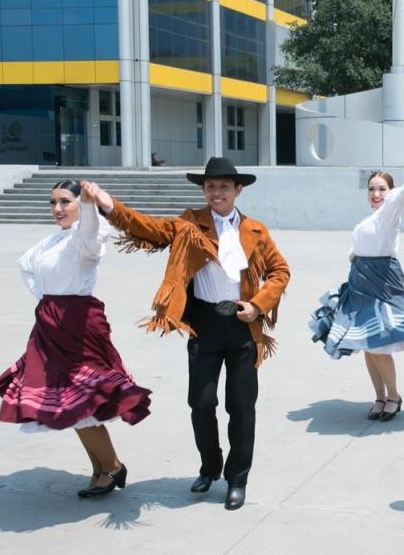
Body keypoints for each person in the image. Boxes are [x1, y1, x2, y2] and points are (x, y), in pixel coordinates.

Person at [85, 157, 290, 510]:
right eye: (210, 187)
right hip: (205, 325)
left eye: (224, 186)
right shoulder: (188, 225)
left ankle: (237, 478)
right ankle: (210, 467)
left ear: (238, 190)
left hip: (244, 326)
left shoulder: (256, 230)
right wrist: (108, 205)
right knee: (201, 403)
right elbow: (147, 227)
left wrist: (257, 304)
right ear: (203, 190)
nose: (216, 192)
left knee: (241, 407)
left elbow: (280, 271)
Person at [0, 179, 152, 498]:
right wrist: (45, 299)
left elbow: (89, 232)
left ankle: (113, 466)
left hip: (79, 328)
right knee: (69, 406)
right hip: (50, 326)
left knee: (83, 403)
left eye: (65, 201)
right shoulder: (51, 241)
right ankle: (101, 467)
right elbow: (25, 266)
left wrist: (93, 205)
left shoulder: (85, 240)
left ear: (81, 205)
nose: (57, 209)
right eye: (53, 203)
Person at [310, 167, 404, 421]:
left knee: (379, 344)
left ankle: (394, 396)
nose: (376, 194)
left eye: (382, 189)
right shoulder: (369, 219)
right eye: (372, 189)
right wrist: (354, 255)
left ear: (389, 192)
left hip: (382, 279)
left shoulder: (389, 212)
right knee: (367, 345)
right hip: (360, 280)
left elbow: (400, 197)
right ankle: (379, 396)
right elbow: (359, 244)